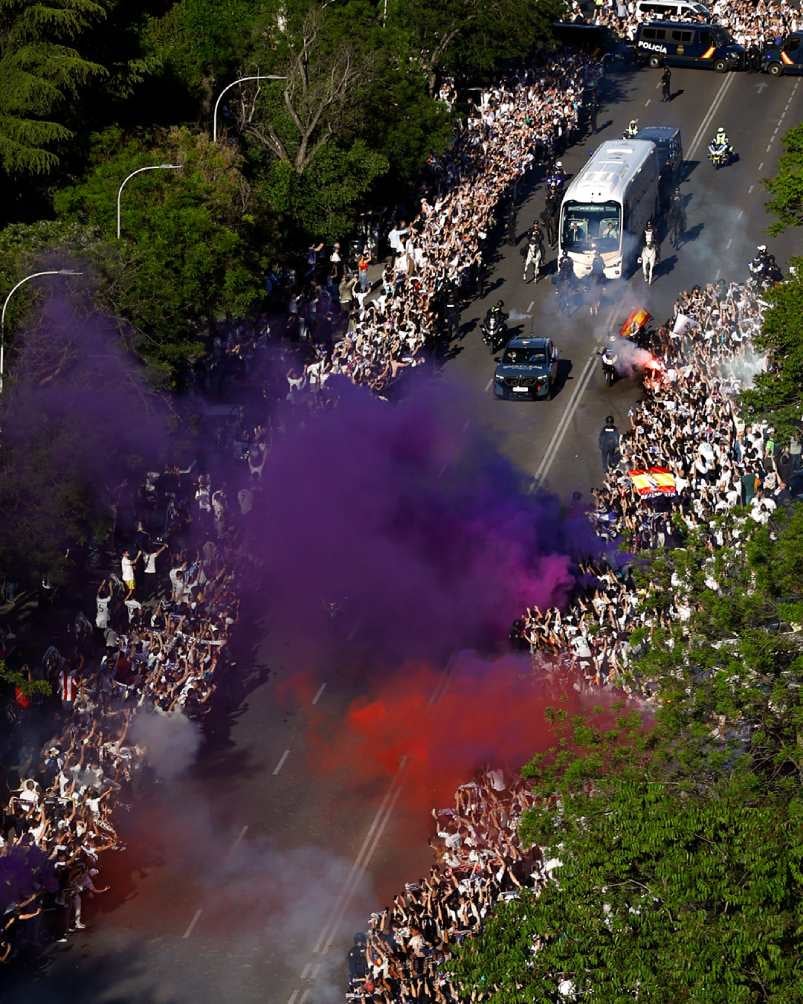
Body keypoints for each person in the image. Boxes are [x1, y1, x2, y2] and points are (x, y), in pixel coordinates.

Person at [640, 221, 659, 286]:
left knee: (657, 248)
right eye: (648, 225)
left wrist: (655, 240)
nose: (649, 226)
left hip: (652, 242)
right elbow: (643, 237)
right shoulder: (645, 230)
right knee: (641, 248)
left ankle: (657, 258)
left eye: (650, 225)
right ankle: (640, 258)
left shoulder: (653, 229)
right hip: (646, 242)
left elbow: (656, 236)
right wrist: (643, 243)